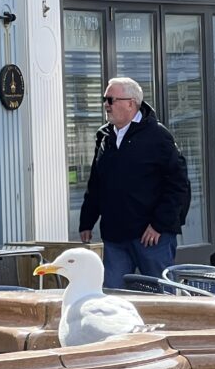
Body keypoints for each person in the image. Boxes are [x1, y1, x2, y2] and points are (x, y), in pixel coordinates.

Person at [79, 77, 190, 289]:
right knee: (113, 294)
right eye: (105, 99)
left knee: (162, 294)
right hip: (115, 235)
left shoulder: (158, 136)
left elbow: (178, 185)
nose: (106, 105)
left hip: (151, 236)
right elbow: (97, 182)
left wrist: (159, 225)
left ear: (131, 103)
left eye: (111, 100)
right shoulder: (104, 136)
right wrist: (87, 220)